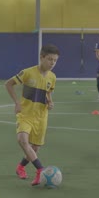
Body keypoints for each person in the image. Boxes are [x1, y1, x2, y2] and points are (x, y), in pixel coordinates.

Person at [5, 44, 60, 186]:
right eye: (49, 59)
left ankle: (21, 167)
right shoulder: (28, 73)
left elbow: (48, 92)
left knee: (34, 149)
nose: (52, 63)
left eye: (55, 60)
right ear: (41, 57)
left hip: (41, 117)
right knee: (22, 140)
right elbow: (9, 84)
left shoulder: (52, 77)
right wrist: (17, 102)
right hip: (25, 114)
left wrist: (50, 102)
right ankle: (40, 170)